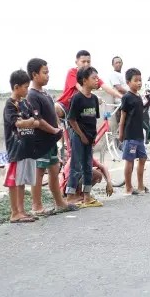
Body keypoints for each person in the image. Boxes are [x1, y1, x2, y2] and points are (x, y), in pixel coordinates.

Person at [26, 58, 77, 215]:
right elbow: (37, 120)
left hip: (51, 141)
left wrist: (58, 126)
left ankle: (60, 202)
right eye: (45, 72)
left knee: (54, 170)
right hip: (40, 141)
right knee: (39, 172)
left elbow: (52, 113)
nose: (48, 76)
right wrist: (53, 130)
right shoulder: (32, 95)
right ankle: (36, 206)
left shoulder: (46, 94)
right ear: (34, 74)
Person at [2, 70, 39, 223]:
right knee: (14, 181)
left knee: (22, 181)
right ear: (16, 87)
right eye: (25, 87)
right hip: (16, 149)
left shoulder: (25, 103)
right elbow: (18, 123)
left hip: (27, 148)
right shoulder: (10, 105)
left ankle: (22, 210)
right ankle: (14, 212)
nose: (27, 90)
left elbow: (36, 121)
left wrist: (29, 121)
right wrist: (29, 121)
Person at [66, 67, 103, 207]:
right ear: (84, 80)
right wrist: (81, 135)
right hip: (78, 137)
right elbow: (71, 120)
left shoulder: (94, 99)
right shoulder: (77, 98)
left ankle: (87, 197)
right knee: (75, 166)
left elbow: (93, 120)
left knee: (88, 167)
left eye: (97, 77)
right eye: (94, 78)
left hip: (89, 138)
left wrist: (92, 137)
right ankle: (70, 196)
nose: (97, 80)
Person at [55, 50, 122, 118]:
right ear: (76, 62)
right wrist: (94, 97)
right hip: (65, 105)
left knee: (90, 119)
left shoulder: (92, 75)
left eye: (88, 62)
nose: (86, 64)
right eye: (83, 62)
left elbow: (106, 87)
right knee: (55, 108)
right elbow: (81, 89)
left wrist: (122, 97)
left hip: (80, 107)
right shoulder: (72, 72)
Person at [119, 68, 149, 195]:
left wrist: (147, 102)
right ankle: (128, 187)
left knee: (142, 158)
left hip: (139, 134)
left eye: (140, 80)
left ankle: (141, 185)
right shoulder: (126, 97)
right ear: (128, 82)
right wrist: (121, 133)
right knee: (129, 161)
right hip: (130, 135)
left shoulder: (139, 97)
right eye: (136, 80)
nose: (139, 83)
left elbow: (139, 113)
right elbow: (123, 117)